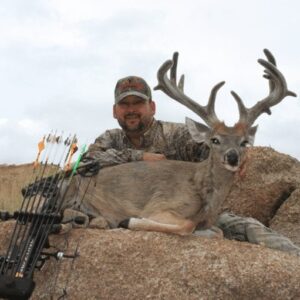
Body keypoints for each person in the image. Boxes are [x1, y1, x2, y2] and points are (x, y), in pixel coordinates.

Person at [83, 75, 300, 255]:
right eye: (124, 104)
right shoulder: (109, 140)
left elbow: (217, 150)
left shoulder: (178, 134)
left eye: (138, 103)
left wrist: (241, 153)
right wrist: (138, 157)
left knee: (247, 228)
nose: (131, 110)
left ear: (152, 106)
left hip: (196, 206)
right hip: (133, 207)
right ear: (115, 111)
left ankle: (294, 257)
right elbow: (87, 164)